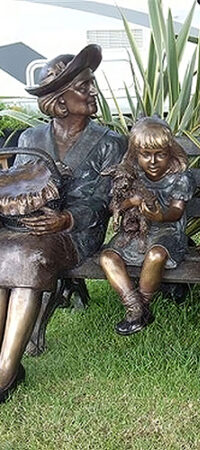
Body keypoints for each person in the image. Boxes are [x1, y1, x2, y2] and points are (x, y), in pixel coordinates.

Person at [0, 44, 126, 403]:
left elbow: (103, 200)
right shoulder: (30, 138)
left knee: (28, 258)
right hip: (27, 228)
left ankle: (6, 370)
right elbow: (21, 184)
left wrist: (67, 218)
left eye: (91, 84)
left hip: (76, 232)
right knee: (5, 252)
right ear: (59, 100)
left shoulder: (109, 142)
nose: (93, 91)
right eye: (84, 86)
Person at [100, 117, 196, 336]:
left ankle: (142, 306)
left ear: (170, 152)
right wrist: (130, 202)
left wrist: (160, 216)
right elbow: (111, 206)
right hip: (134, 233)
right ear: (135, 154)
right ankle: (134, 308)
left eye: (160, 154)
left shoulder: (180, 178)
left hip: (167, 230)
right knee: (107, 257)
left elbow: (176, 212)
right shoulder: (130, 175)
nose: (152, 162)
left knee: (156, 255)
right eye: (145, 155)